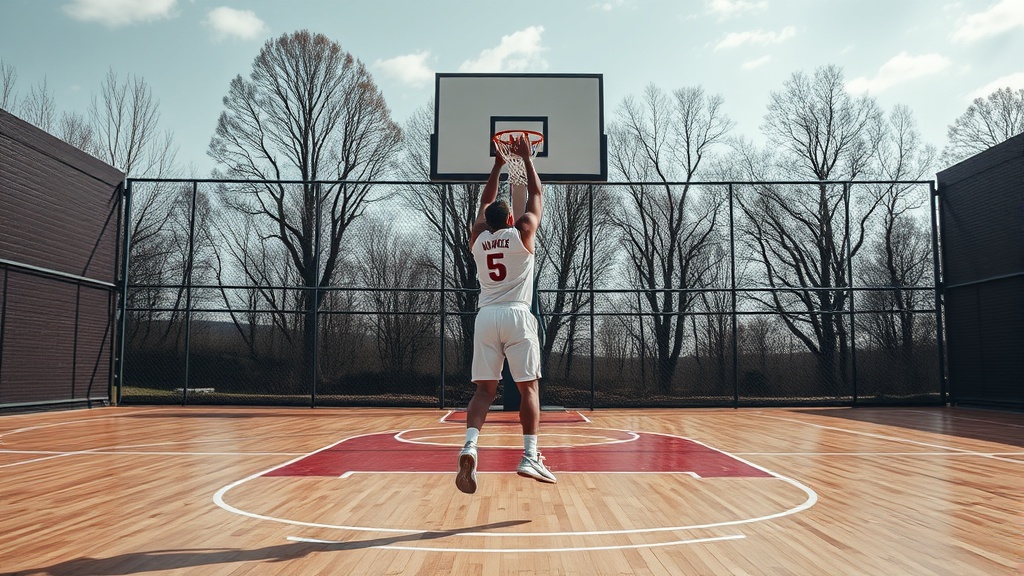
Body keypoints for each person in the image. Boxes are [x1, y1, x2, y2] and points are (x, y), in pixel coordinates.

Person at [456, 134, 555, 494]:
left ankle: (469, 446)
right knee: (528, 388)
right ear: (511, 218)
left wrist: (498, 165)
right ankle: (530, 455)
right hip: (516, 315)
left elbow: (484, 204)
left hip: (486, 317)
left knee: (484, 391)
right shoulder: (523, 233)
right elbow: (537, 197)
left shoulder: (478, 239)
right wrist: (526, 161)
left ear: (487, 222)